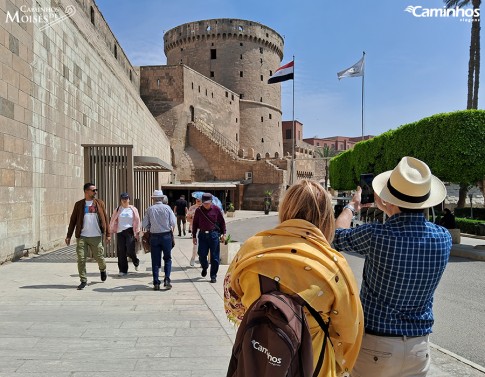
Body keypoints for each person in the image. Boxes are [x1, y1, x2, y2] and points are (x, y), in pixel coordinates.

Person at [224, 179, 364, 376]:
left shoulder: (250, 248)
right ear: (325, 216)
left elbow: (232, 305)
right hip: (315, 366)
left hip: (259, 361)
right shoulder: (333, 265)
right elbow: (349, 332)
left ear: (285, 208)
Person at [332, 156, 452, 377]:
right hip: (419, 347)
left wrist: (352, 206)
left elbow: (337, 236)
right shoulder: (443, 237)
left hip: (376, 345)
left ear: (390, 200)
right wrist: (390, 206)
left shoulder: (376, 235)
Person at [65, 182, 110, 290]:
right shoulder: (79, 204)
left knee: (99, 257)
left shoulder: (99, 203)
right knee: (81, 258)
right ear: (86, 191)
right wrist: (69, 235)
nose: (95, 192)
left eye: (96, 190)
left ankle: (103, 269)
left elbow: (105, 219)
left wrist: (108, 234)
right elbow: (73, 221)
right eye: (93, 190)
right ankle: (83, 280)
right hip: (82, 236)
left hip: (96, 236)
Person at [142, 189, 176, 290]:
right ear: (162, 198)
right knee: (167, 258)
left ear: (153, 199)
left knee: (155, 260)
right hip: (166, 236)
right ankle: (167, 279)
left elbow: (144, 224)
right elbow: (173, 222)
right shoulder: (167, 208)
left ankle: (156, 282)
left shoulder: (150, 209)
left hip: (154, 236)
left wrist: (150, 227)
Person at [192, 193, 226, 283]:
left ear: (211, 202)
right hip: (202, 235)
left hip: (213, 235)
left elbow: (222, 222)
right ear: (202, 202)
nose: (206, 205)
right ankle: (205, 266)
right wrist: (194, 236)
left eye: (208, 203)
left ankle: (213, 276)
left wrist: (224, 234)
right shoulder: (199, 211)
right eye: (204, 203)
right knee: (201, 254)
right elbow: (195, 224)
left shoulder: (216, 209)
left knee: (215, 257)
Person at [109, 192, 141, 276]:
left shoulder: (133, 209)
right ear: (120, 200)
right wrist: (110, 230)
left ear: (129, 199)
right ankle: (123, 270)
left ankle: (135, 261)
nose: (124, 200)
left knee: (130, 250)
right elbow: (113, 220)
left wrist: (137, 232)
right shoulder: (117, 209)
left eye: (126, 198)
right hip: (120, 232)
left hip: (130, 231)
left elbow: (137, 221)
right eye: (123, 199)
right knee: (121, 251)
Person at [186, 196, 202, 266]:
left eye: (200, 199)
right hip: (195, 229)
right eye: (197, 199)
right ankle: (193, 257)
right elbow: (188, 219)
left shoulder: (205, 208)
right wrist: (194, 221)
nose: (198, 200)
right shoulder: (192, 208)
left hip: (204, 229)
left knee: (203, 246)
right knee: (196, 245)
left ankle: (202, 260)